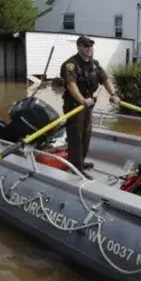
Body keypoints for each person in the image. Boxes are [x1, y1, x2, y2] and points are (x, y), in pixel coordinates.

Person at [59, 35, 120, 177]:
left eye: (91, 46)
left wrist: (113, 94)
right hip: (75, 106)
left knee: (86, 136)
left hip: (88, 107)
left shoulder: (94, 64)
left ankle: (80, 161)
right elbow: (71, 85)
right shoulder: (70, 65)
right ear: (78, 47)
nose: (89, 49)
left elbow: (105, 79)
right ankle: (76, 168)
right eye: (86, 46)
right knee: (76, 137)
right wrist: (82, 100)